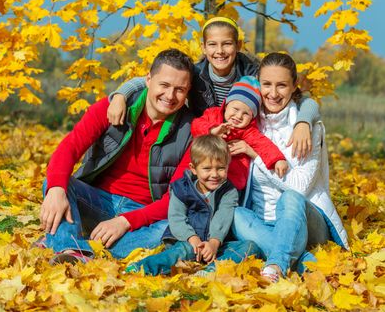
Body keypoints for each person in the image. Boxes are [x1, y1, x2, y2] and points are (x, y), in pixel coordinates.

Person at [37, 49, 196, 263]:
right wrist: (57, 189)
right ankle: (71, 248)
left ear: (188, 92)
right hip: (97, 200)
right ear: (148, 80)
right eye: (164, 85)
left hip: (142, 214)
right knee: (56, 183)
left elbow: (176, 196)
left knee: (173, 231)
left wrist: (125, 221)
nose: (170, 95)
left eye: (180, 89)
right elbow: (69, 147)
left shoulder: (191, 130)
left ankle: (71, 243)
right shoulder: (113, 107)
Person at [108, 16, 319, 159]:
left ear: (238, 46)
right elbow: (151, 80)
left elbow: (304, 99)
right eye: (213, 45)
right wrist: (120, 95)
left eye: (227, 44)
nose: (220, 51)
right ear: (204, 48)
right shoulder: (196, 73)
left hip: (246, 141)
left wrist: (303, 122)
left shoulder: (254, 72)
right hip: (206, 137)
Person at [230, 52, 349, 282]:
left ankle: (276, 264)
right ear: (258, 84)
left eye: (282, 85)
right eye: (267, 84)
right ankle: (301, 259)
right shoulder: (250, 121)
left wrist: (255, 154)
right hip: (262, 219)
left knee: (290, 199)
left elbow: (299, 189)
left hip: (305, 218)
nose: (273, 94)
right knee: (233, 214)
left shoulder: (308, 128)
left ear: (294, 86)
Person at [124, 135, 258, 276]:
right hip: (187, 241)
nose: (214, 174)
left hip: (216, 245)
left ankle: (211, 270)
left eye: (221, 168)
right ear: (193, 169)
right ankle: (143, 268)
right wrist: (192, 238)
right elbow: (177, 218)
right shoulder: (182, 188)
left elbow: (222, 217)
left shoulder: (228, 191)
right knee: (181, 251)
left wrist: (213, 243)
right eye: (207, 169)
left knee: (250, 246)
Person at [191, 76, 288, 191]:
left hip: (232, 171)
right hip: (205, 164)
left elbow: (263, 144)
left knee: (236, 172)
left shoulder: (248, 131)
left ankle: (227, 191)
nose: (238, 116)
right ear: (226, 106)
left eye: (246, 113)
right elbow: (196, 125)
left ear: (252, 117)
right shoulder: (213, 115)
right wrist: (212, 131)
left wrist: (277, 159)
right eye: (235, 109)